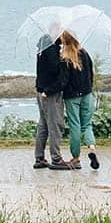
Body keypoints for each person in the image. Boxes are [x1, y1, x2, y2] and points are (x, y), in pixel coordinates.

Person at [60, 30, 99, 169]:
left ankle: (76, 158)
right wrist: (88, 87)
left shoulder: (65, 59)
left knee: (75, 126)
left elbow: (64, 81)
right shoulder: (85, 54)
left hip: (72, 97)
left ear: (65, 42)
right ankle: (92, 148)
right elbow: (91, 73)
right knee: (87, 125)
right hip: (87, 94)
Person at [33, 32, 71, 170]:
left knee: (43, 124)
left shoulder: (42, 47)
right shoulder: (51, 49)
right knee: (55, 124)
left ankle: (39, 157)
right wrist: (63, 60)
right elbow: (56, 71)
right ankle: (56, 158)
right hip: (50, 93)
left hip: (41, 89)